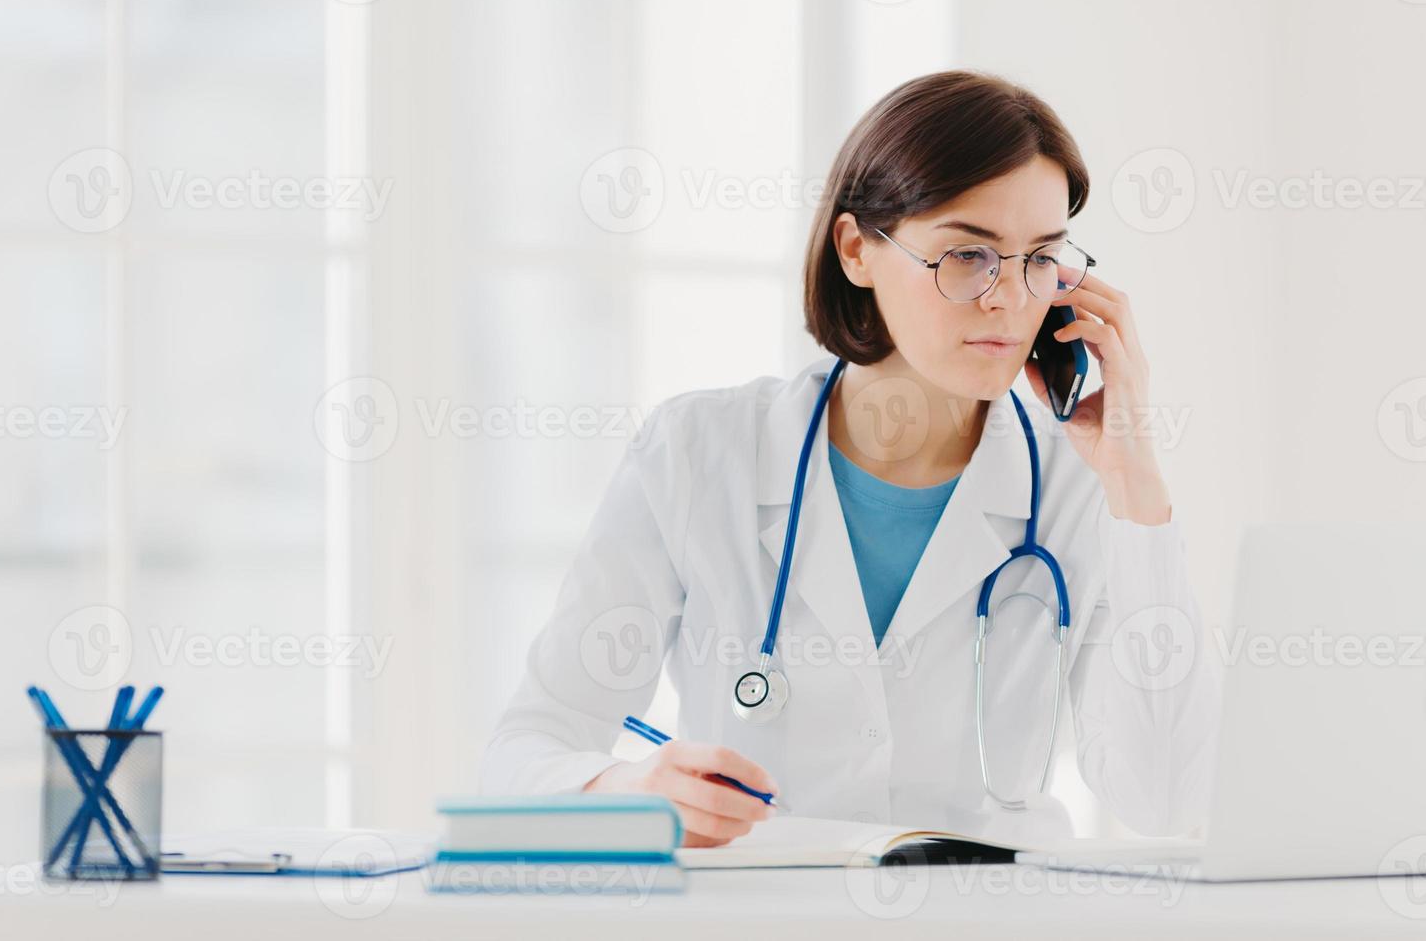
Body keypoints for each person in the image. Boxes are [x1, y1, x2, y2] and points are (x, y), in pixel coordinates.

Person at [481, 70, 1219, 847]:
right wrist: (633, 789)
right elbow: (526, 750)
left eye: (1040, 258)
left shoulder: (1079, 485)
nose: (1010, 298)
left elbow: (1168, 797)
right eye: (969, 255)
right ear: (856, 250)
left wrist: (1137, 483)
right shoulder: (698, 453)